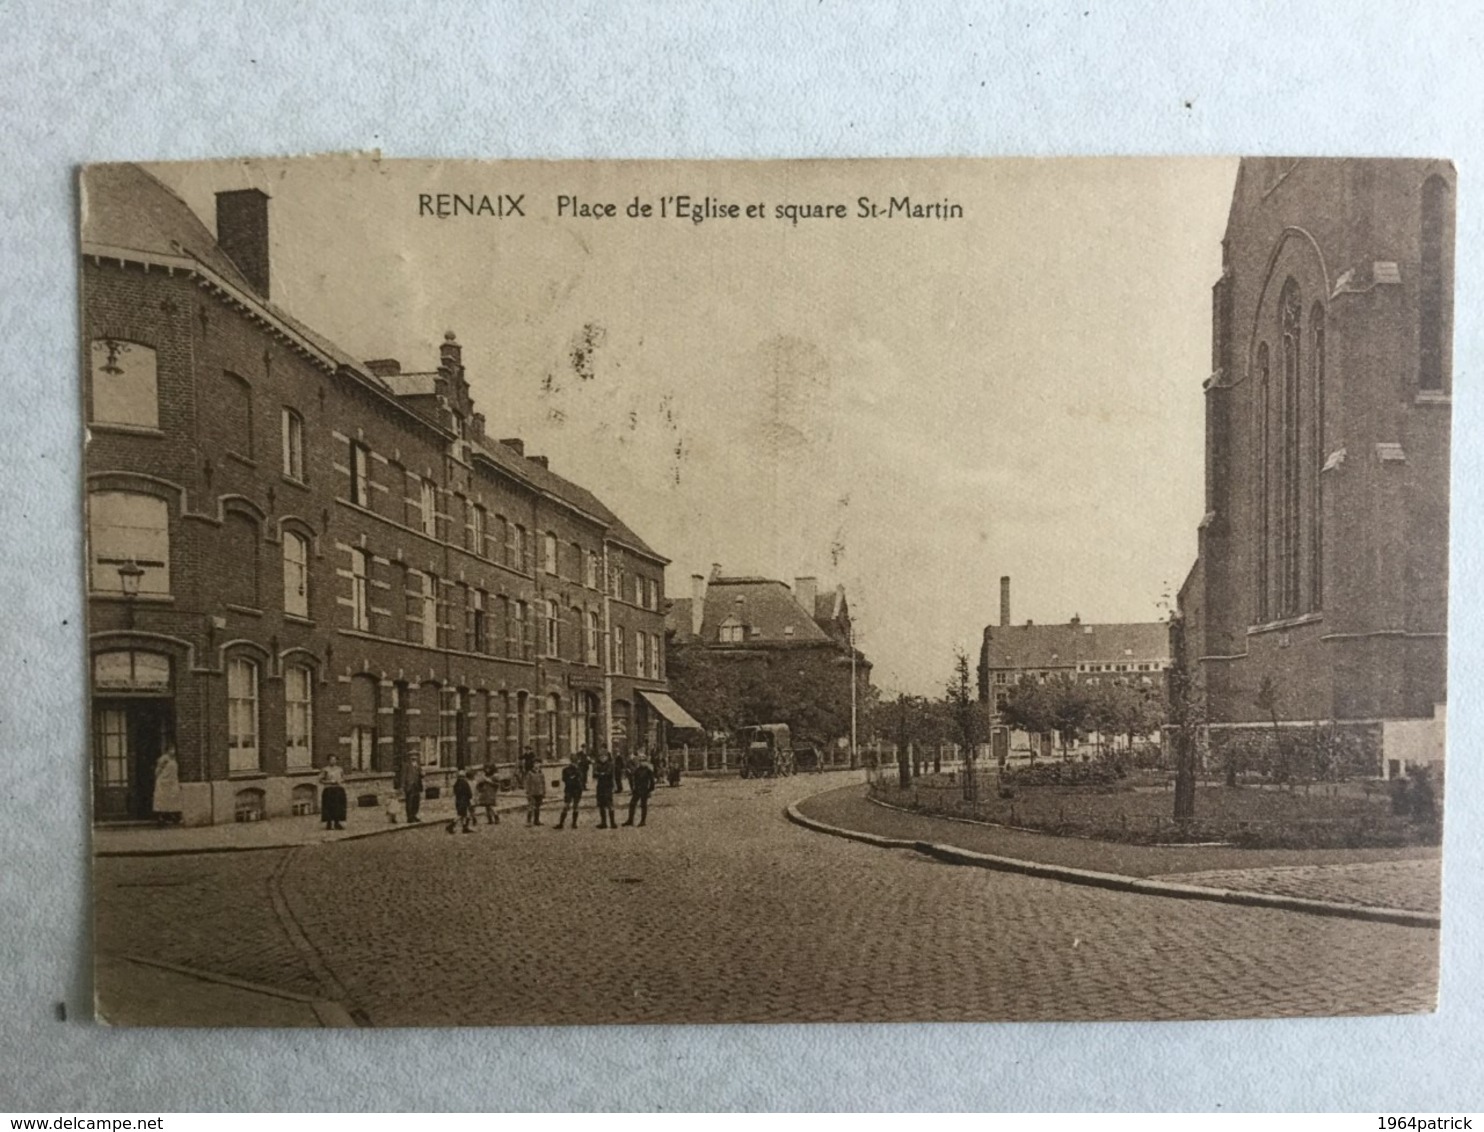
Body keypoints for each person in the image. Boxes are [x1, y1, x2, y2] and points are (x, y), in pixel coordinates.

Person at [151, 745, 183, 825]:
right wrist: (161, 779)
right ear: (167, 750)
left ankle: (173, 816)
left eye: (174, 749)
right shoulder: (164, 759)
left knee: (173, 798)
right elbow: (158, 770)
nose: (173, 751)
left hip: (172, 782)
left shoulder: (174, 759)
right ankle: (161, 817)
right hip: (163, 782)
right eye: (171, 749)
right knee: (162, 799)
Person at [624, 752, 657, 826]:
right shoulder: (637, 769)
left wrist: (649, 790)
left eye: (643, 761)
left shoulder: (648, 770)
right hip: (637, 790)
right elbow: (634, 778)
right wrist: (633, 788)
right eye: (640, 761)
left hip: (645, 790)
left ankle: (643, 821)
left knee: (643, 805)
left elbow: (652, 782)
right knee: (632, 804)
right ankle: (630, 820)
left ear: (646, 762)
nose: (642, 762)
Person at [556, 752, 584, 829]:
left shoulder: (579, 770)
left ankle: (574, 823)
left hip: (577, 790)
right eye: (573, 761)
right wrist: (572, 778)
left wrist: (573, 778)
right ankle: (561, 823)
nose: (574, 763)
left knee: (575, 806)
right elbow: (565, 779)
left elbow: (580, 779)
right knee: (566, 805)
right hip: (569, 789)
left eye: (575, 761)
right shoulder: (566, 770)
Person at [318, 755, 347, 831]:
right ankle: (329, 823)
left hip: (338, 789)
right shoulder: (325, 769)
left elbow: (344, 778)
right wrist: (330, 781)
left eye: (334, 760)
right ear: (328, 761)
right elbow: (320, 780)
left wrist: (340, 781)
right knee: (329, 806)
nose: (333, 761)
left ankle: (337, 823)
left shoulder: (340, 769)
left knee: (338, 806)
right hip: (329, 790)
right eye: (331, 760)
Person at [592, 748, 618, 829]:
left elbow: (608, 773)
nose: (602, 758)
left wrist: (601, 774)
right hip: (600, 786)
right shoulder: (597, 764)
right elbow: (594, 774)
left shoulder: (610, 764)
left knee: (609, 804)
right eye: (601, 757)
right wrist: (601, 774)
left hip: (608, 786)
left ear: (607, 757)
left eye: (604, 756)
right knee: (601, 805)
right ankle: (603, 823)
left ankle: (612, 823)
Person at [523, 750, 545, 826]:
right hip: (532, 793)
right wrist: (528, 792)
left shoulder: (541, 773)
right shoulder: (530, 773)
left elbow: (543, 783)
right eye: (535, 763)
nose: (537, 765)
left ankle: (537, 820)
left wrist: (543, 792)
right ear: (533, 764)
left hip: (539, 792)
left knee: (538, 807)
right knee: (531, 807)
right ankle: (529, 821)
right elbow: (527, 784)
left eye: (538, 763)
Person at [450, 769, 475, 834]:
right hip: (464, 801)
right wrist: (470, 798)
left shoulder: (456, 783)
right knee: (462, 815)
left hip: (458, 800)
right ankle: (452, 825)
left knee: (463, 815)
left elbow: (455, 792)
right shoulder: (465, 783)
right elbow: (469, 792)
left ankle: (465, 827)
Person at [401, 753, 423, 823]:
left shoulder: (418, 766)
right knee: (409, 802)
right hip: (409, 786)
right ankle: (409, 817)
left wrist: (423, 774)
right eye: (412, 757)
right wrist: (403, 786)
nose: (414, 758)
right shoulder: (406, 765)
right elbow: (403, 776)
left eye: (415, 756)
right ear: (410, 757)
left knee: (416, 802)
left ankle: (414, 815)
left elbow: (420, 775)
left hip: (417, 786)